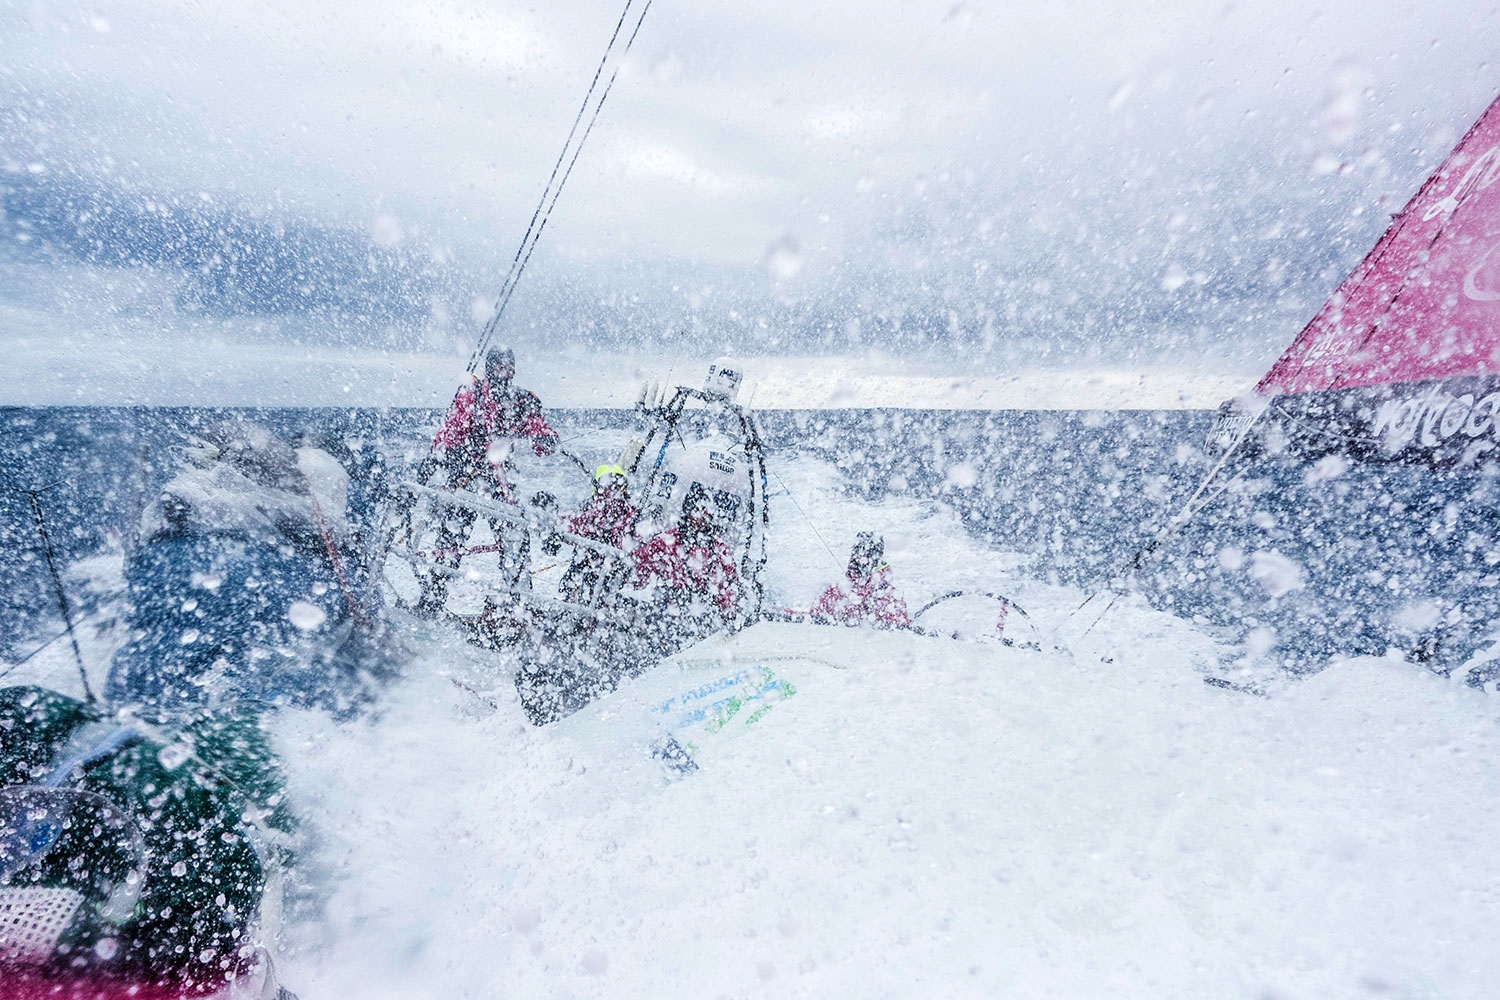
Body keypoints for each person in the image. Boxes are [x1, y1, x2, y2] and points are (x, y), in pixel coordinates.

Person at [417, 347, 559, 613]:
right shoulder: (473, 394)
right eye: (500, 366)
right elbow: (452, 429)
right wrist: (436, 456)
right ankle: (432, 600)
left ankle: (519, 606)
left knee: (514, 535)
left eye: (510, 366)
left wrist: (546, 438)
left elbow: (538, 430)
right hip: (466, 476)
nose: (506, 372)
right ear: (490, 367)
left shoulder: (521, 400)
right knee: (451, 535)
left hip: (500, 479)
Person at [629, 483, 741, 643]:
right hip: (670, 611)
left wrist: (729, 612)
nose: (702, 517)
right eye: (697, 510)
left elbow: (728, 584)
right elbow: (640, 563)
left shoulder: (720, 548)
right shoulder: (666, 541)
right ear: (687, 511)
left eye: (705, 511)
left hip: (705, 613)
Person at [556, 464, 639, 603]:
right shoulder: (628, 510)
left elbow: (572, 524)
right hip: (605, 564)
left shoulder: (595, 506)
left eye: (616, 483)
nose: (613, 488)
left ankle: (565, 600)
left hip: (595, 562)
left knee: (571, 583)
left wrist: (556, 529)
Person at [811, 532, 911, 628]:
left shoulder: (882, 584)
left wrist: (897, 622)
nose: (859, 556)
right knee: (830, 591)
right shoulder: (851, 576)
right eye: (858, 550)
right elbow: (834, 595)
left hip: (874, 627)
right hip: (848, 623)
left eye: (865, 552)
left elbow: (892, 605)